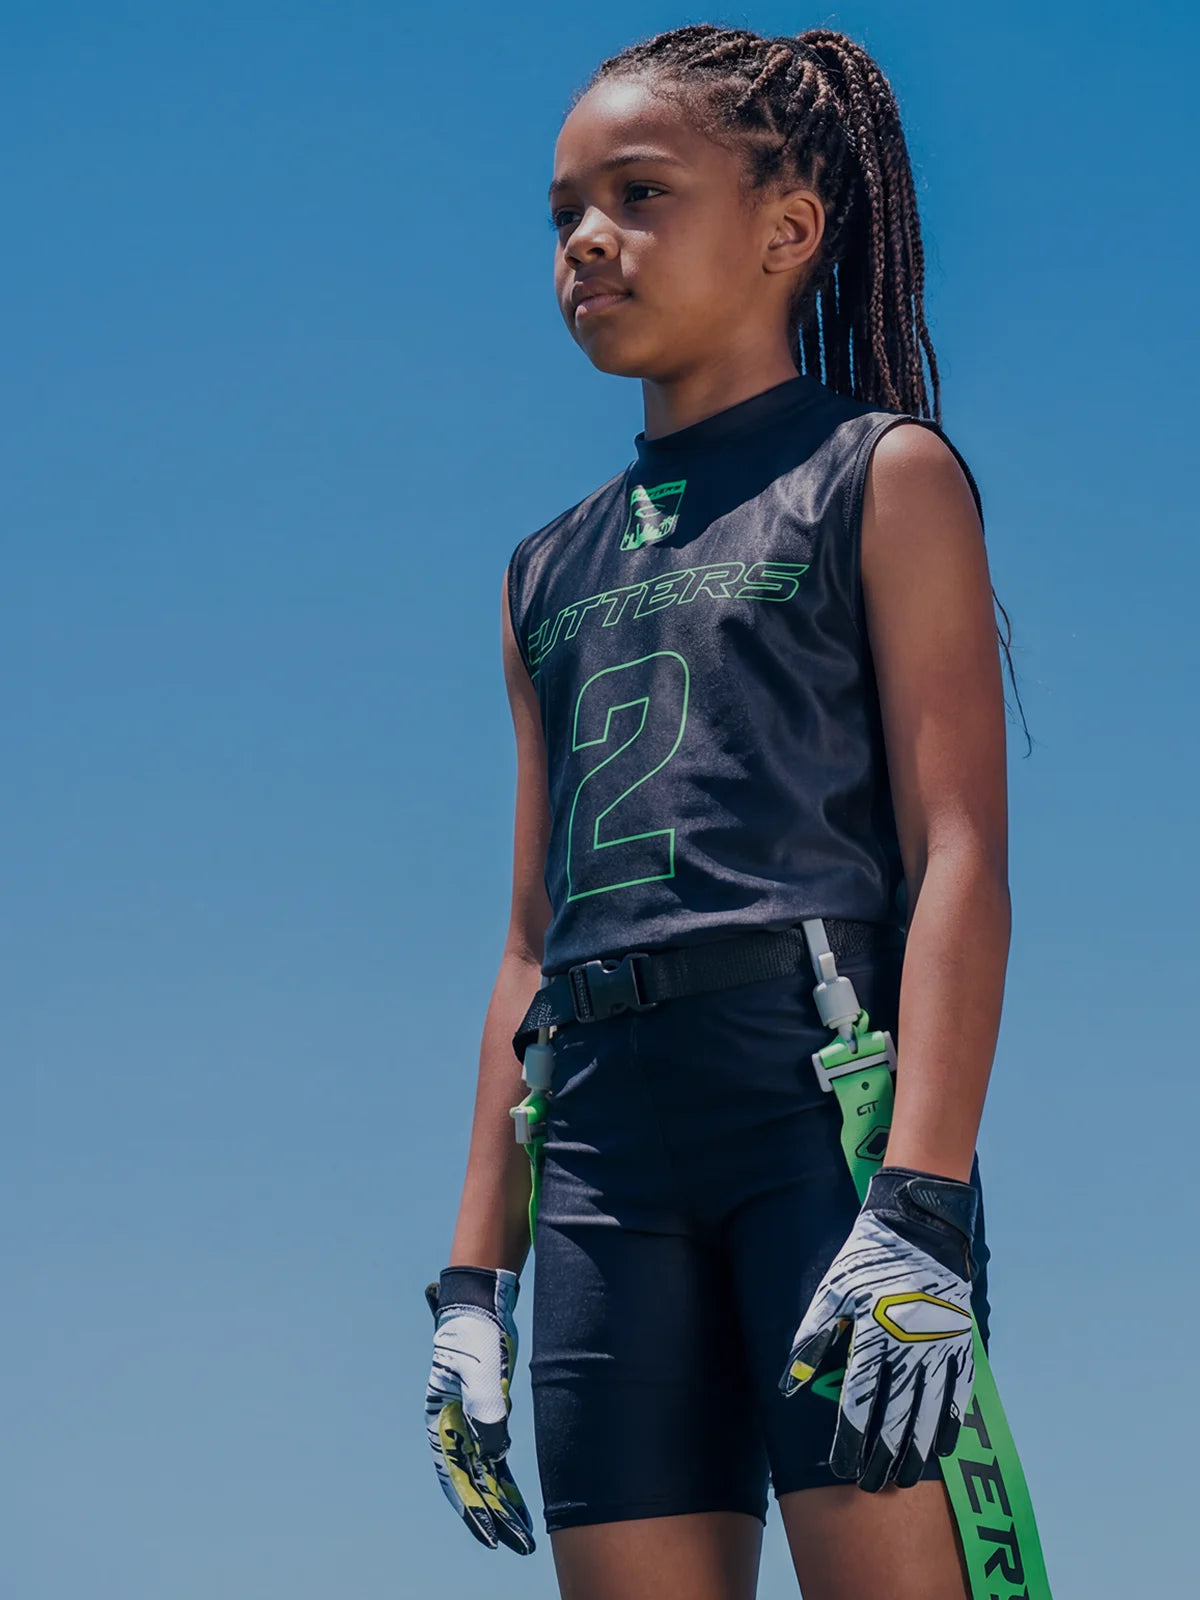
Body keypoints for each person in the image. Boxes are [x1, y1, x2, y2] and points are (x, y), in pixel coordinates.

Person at [424, 23, 1032, 1600]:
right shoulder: (539, 571)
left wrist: (924, 1205)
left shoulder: (880, 476)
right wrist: (469, 1285)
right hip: (605, 1151)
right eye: (562, 211)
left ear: (788, 225)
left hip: (814, 1126)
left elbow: (959, 853)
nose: (587, 242)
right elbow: (527, 943)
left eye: (637, 192)